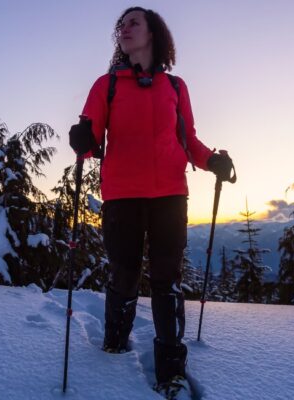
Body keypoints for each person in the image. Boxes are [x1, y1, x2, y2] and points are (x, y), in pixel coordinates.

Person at [69, 6, 234, 396]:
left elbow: (188, 140)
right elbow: (90, 138)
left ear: (152, 34)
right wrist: (82, 138)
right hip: (122, 196)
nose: (124, 30)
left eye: (133, 23)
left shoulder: (176, 87)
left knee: (166, 281)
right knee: (124, 275)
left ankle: (171, 370)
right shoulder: (106, 85)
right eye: (120, 25)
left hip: (170, 196)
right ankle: (113, 343)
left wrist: (212, 160)